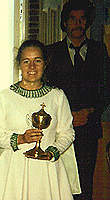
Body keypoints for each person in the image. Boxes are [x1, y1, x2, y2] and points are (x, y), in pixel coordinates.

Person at [0, 39, 80, 200]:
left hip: (48, 170)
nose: (32, 67)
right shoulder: (5, 97)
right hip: (14, 171)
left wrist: (52, 152)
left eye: (37, 61)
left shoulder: (57, 96)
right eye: (26, 61)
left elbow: (67, 133)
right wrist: (21, 138)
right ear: (19, 64)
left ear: (45, 64)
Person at [45, 1, 110, 199]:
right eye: (73, 19)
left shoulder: (99, 51)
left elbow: (107, 88)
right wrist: (67, 116)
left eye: (82, 19)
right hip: (58, 130)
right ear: (64, 23)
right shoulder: (51, 52)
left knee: (84, 185)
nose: (78, 23)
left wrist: (91, 113)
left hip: (88, 130)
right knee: (58, 183)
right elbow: (46, 92)